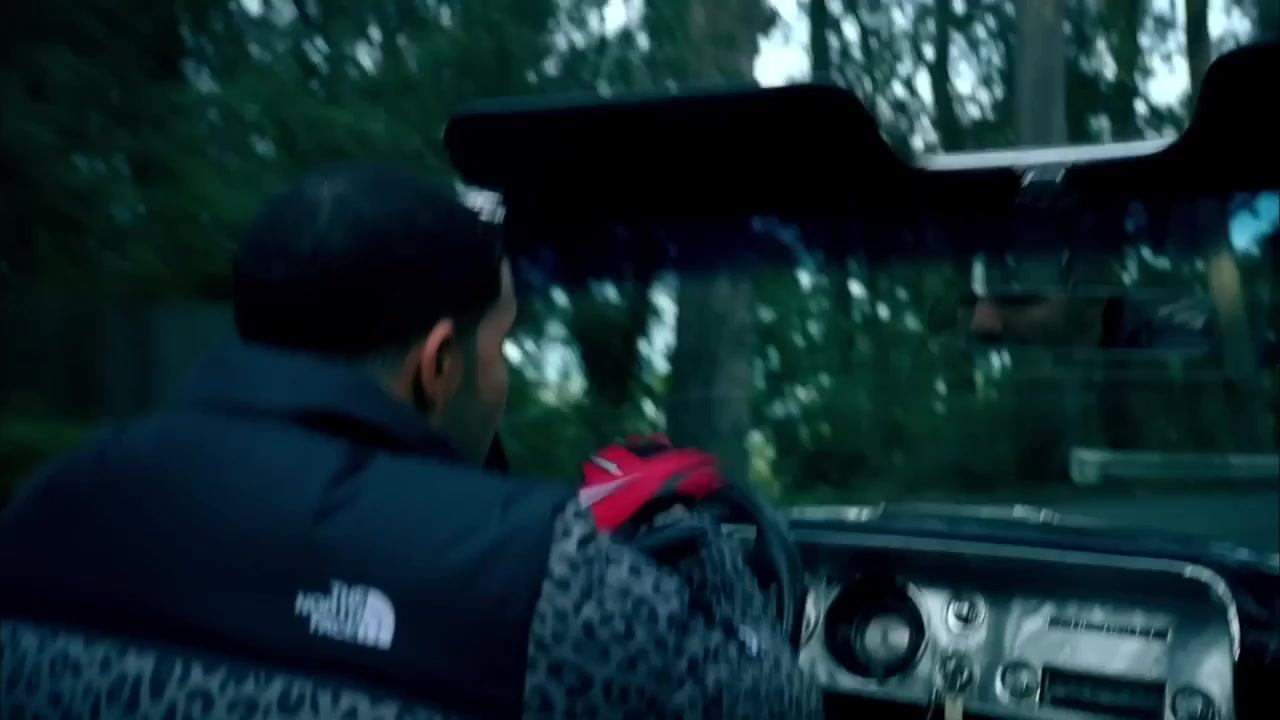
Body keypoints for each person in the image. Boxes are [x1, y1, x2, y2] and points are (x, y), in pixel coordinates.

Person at [0, 164, 821, 719]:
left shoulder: (54, 500)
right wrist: (696, 547)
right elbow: (775, 704)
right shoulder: (548, 579)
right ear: (437, 365)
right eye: (500, 343)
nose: (502, 373)